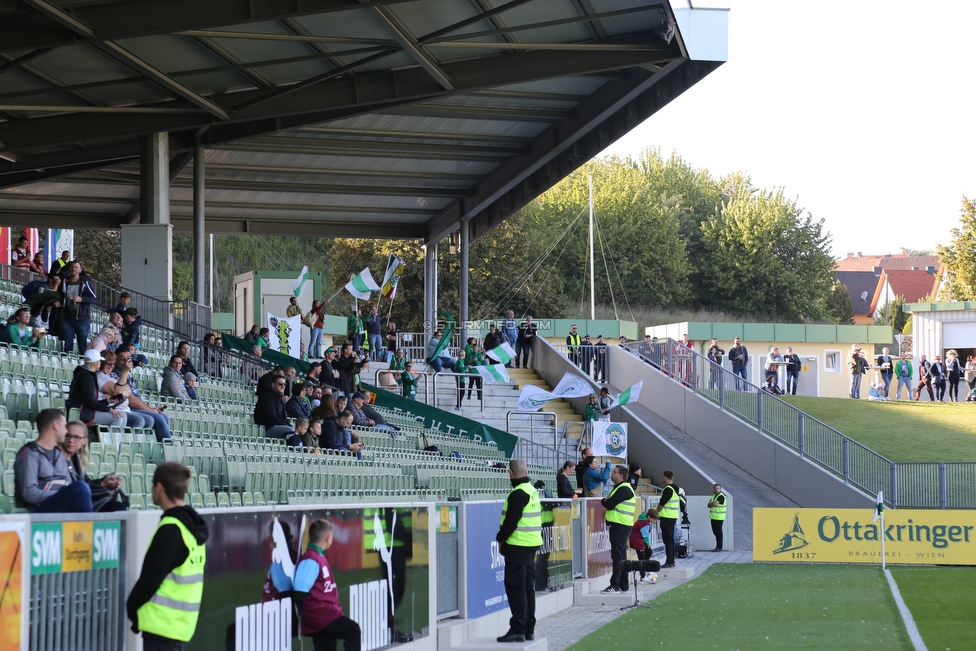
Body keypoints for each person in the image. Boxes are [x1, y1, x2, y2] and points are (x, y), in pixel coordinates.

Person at [127, 462, 209, 651]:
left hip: (161, 627)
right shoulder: (192, 528)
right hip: (179, 627)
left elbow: (150, 579)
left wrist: (132, 608)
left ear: (159, 487)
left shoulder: (171, 529)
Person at [292, 519, 362, 651]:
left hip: (323, 614)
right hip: (321, 614)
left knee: (327, 646)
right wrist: (311, 610)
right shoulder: (311, 559)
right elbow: (300, 589)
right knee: (353, 630)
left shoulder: (317, 556)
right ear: (328, 538)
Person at [495, 459, 542, 643]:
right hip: (530, 546)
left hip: (518, 546)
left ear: (511, 473)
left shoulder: (517, 494)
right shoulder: (532, 491)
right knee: (527, 588)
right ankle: (528, 629)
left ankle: (518, 629)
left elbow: (511, 523)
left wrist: (500, 538)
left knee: (516, 588)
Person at [14, 408, 94, 513]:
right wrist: (62, 495)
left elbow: (68, 485)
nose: (66, 432)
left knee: (115, 506)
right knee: (80, 487)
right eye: (65, 427)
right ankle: (87, 528)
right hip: (38, 510)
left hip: (61, 506)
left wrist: (64, 495)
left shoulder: (60, 454)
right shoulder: (30, 453)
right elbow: (29, 493)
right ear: (55, 425)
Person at [61, 420, 127, 512]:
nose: (71, 441)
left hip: (80, 500)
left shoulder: (78, 458)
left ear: (85, 440)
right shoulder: (59, 457)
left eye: (76, 437)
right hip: (68, 503)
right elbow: (74, 487)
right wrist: (102, 484)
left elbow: (85, 482)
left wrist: (103, 481)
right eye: (68, 436)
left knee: (117, 507)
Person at [112, 346, 172, 441]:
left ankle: (155, 447)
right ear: (115, 360)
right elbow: (131, 400)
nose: (126, 363)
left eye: (128, 359)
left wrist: (151, 409)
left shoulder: (128, 375)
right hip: (126, 408)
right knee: (158, 418)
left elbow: (137, 398)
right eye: (122, 359)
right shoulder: (116, 374)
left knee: (163, 416)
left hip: (135, 407)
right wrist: (151, 411)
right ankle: (169, 446)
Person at [600, 465, 636, 594]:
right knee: (621, 556)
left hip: (621, 525)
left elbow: (608, 504)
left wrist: (605, 500)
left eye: (614, 472)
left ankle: (615, 585)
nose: (612, 474)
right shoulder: (621, 488)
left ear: (621, 475)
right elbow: (608, 502)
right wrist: (606, 500)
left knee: (617, 556)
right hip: (620, 525)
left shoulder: (624, 489)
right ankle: (623, 584)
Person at [68, 350, 126, 427]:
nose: (100, 363)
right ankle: (109, 438)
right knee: (117, 418)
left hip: (85, 409)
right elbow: (89, 401)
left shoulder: (87, 374)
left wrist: (106, 401)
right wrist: (108, 409)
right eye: (99, 361)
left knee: (122, 415)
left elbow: (89, 400)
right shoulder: (85, 376)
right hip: (81, 411)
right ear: (96, 362)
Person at [60, 261, 97, 353]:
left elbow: (94, 298)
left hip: (82, 318)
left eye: (76, 267)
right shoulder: (65, 281)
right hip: (68, 317)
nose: (74, 269)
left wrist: (82, 299)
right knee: (67, 344)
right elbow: (60, 295)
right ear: (69, 269)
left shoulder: (85, 282)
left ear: (80, 270)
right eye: (72, 267)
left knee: (82, 345)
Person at [255, 375, 302, 447]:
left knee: (297, 431)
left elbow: (284, 418)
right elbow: (271, 418)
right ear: (273, 385)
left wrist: (289, 426)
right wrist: (287, 426)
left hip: (277, 427)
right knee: (292, 430)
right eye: (280, 384)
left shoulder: (279, 399)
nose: (283, 386)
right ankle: (295, 450)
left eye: (285, 384)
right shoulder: (266, 397)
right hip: (267, 428)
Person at [657, 470, 680, 569]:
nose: (663, 478)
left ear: (665, 477)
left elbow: (662, 503)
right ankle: (671, 560)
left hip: (667, 517)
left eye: (663, 477)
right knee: (670, 540)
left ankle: (670, 561)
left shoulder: (668, 489)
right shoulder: (675, 488)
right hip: (672, 517)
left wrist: (656, 511)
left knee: (668, 540)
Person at [708, 483, 726, 552]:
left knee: (718, 533)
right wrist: (712, 504)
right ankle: (717, 547)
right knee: (715, 532)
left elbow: (714, 504)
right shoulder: (714, 496)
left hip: (719, 517)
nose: (716, 490)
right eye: (715, 488)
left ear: (720, 489)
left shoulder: (721, 496)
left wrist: (712, 504)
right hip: (713, 517)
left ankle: (719, 547)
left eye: (718, 488)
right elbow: (708, 505)